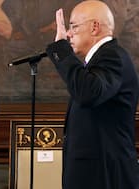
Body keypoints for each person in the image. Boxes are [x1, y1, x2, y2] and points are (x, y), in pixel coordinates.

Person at [45, 1, 139, 189]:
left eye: (74, 27)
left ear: (94, 27)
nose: (69, 34)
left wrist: (62, 50)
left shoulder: (113, 57)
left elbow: (88, 92)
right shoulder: (100, 60)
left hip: (105, 175)